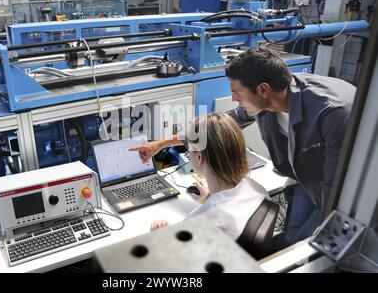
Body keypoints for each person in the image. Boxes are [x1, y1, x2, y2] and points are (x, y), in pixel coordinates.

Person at [130, 47, 356, 250]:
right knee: (291, 238)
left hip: (337, 187)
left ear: (263, 89)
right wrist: (160, 144)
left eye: (237, 92)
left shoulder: (331, 113)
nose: (233, 99)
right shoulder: (266, 101)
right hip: (303, 176)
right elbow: (216, 127)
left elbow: (336, 186)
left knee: (311, 244)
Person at [149, 113, 269, 241]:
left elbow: (172, 255)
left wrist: (160, 235)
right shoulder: (257, 189)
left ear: (199, 156)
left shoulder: (202, 221)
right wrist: (209, 199)